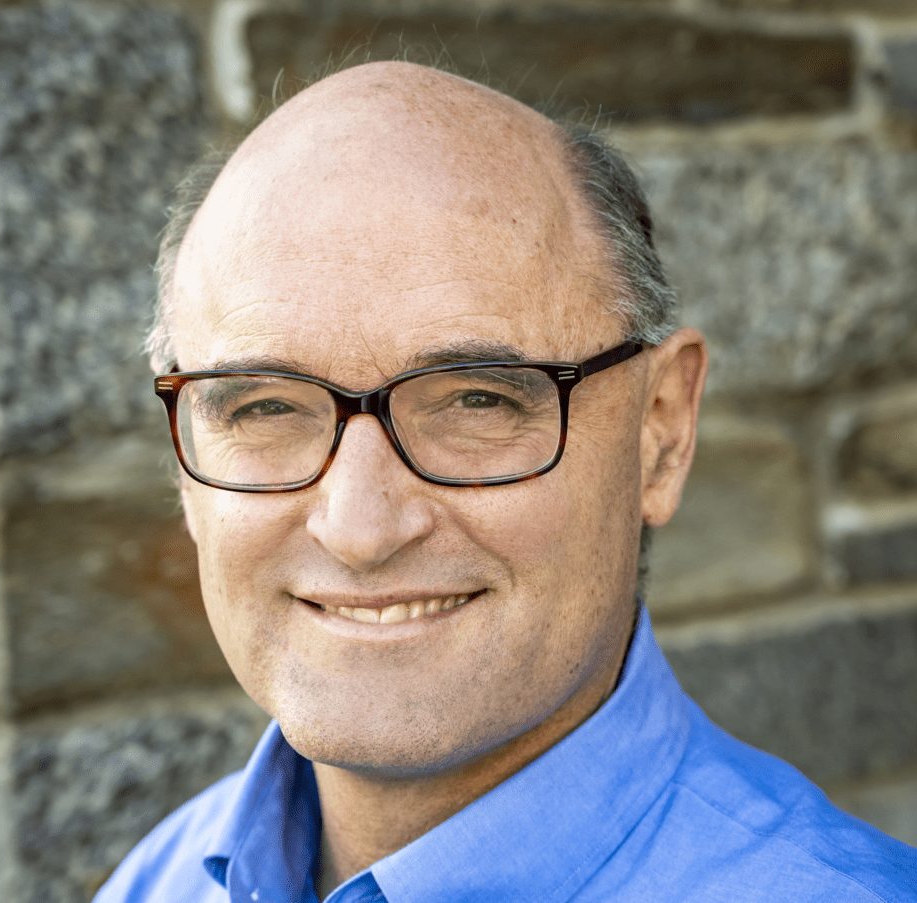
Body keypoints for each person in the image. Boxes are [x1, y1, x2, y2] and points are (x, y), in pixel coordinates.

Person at [95, 61, 916, 902]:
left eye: (478, 399)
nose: (361, 527)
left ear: (660, 432)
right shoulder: (158, 882)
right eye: (266, 407)